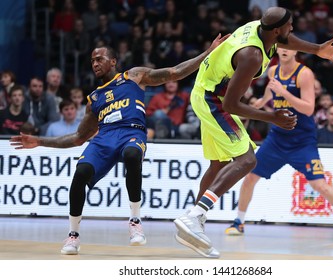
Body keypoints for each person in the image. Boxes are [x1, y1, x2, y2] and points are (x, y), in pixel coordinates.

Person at [9, 33, 229, 255]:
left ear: (113, 61)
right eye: (92, 60)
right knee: (80, 173)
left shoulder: (133, 76)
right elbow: (77, 138)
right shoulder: (94, 98)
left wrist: (207, 53)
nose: (95, 63)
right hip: (104, 138)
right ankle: (73, 235)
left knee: (133, 155)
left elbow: (174, 72)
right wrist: (38, 141)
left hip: (131, 132)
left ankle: (135, 220)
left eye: (100, 59)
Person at [173, 7, 333, 258]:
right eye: (289, 25)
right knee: (247, 159)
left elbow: (286, 39)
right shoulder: (252, 55)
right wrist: (272, 117)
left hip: (204, 90)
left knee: (218, 163)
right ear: (276, 29)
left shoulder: (262, 29)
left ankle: (193, 225)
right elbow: (231, 105)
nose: (292, 29)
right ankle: (194, 216)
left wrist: (318, 49)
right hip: (212, 99)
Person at [225, 47, 333, 243]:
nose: (285, 50)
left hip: (302, 141)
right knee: (250, 177)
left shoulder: (304, 74)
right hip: (277, 139)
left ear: (296, 51)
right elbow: (272, 88)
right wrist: (263, 101)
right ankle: (239, 222)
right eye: (282, 47)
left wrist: (284, 93)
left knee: (319, 184)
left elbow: (309, 108)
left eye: (289, 47)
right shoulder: (273, 70)